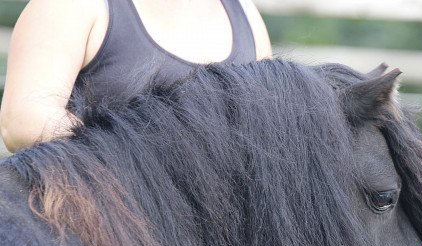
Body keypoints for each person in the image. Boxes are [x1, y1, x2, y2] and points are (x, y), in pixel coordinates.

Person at [0, 0, 272, 152]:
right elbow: (23, 121)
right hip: (99, 226)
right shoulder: (74, 6)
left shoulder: (245, 12)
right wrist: (143, 156)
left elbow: (269, 124)